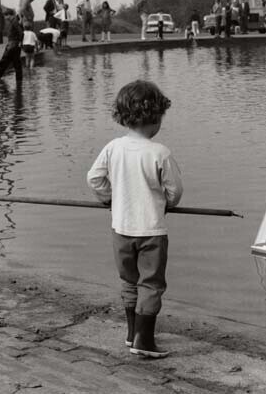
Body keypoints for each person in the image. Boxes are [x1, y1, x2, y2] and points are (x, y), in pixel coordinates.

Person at [87, 80, 183, 359]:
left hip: (121, 229)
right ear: (155, 118)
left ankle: (132, 334)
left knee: (129, 281)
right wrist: (165, 202)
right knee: (151, 284)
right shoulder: (159, 153)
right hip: (151, 231)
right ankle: (145, 340)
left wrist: (109, 199)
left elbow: (94, 178)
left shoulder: (113, 147)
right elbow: (175, 192)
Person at [0, 13, 24, 81]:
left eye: (6, 16)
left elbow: (20, 32)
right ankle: (19, 81)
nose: (5, 18)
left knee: (4, 62)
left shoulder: (14, 21)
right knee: (16, 63)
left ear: (9, 15)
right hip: (15, 45)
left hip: (12, 45)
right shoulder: (14, 21)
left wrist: (20, 41)